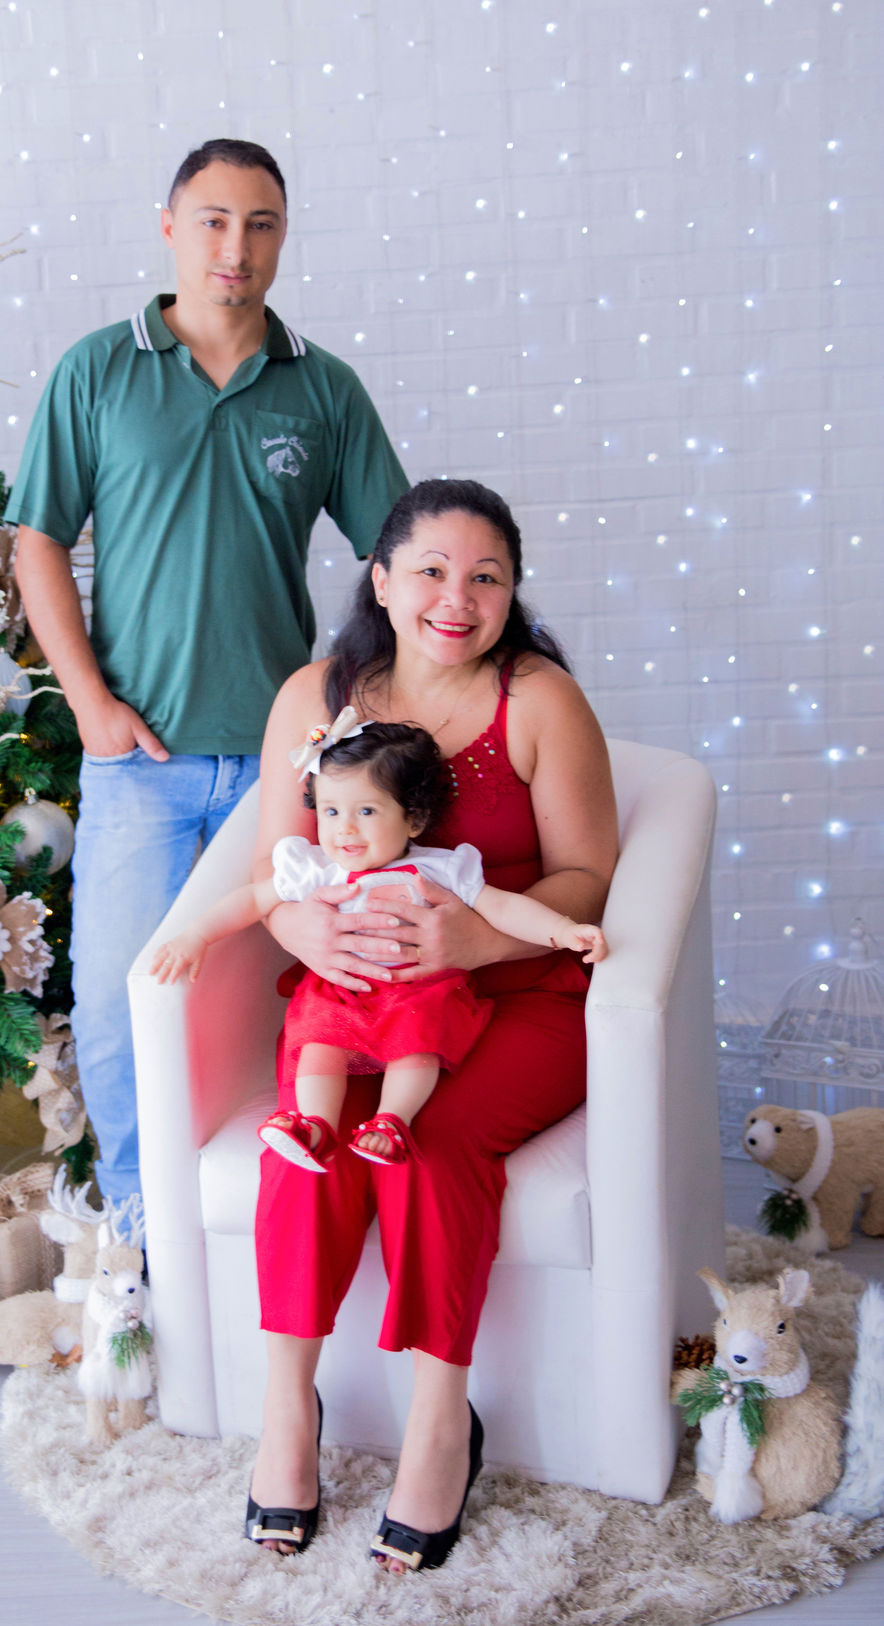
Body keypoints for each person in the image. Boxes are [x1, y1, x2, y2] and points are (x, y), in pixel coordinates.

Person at [6, 139, 408, 1207]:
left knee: (292, 1005)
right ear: (171, 226)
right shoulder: (98, 370)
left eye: (262, 223)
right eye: (216, 220)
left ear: (282, 236)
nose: (237, 246)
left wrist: (362, 710)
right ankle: (141, 1233)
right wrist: (90, 703)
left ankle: (272, 1219)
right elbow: (35, 538)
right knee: (116, 1002)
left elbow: (399, 563)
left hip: (289, 776)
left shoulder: (320, 389)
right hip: (141, 762)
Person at [241, 477, 619, 1571]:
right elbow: (277, 862)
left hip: (511, 999)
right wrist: (307, 937)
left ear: (511, 593)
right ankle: (286, 1412)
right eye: (434, 572)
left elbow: (589, 878)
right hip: (353, 997)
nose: (459, 598)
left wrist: (480, 943)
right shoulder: (317, 696)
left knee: (431, 1147)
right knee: (305, 1149)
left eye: (487, 577)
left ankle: (441, 1423)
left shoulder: (538, 699)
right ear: (382, 580)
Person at [151, 716, 606, 1170]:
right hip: (343, 987)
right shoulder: (316, 868)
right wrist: (197, 935)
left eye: (365, 812)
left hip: (417, 989)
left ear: (414, 819)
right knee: (318, 1040)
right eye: (331, 812)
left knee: (416, 1041)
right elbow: (252, 899)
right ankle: (312, 1124)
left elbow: (503, 908)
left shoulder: (439, 870)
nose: (344, 830)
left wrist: (563, 931)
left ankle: (392, 1120)